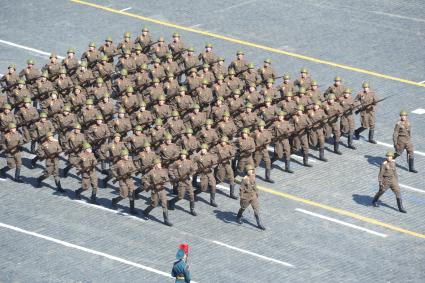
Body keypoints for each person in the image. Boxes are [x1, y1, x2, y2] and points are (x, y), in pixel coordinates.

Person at [236, 165, 265, 230]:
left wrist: (256, 191)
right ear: (247, 171)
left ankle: (259, 223)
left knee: (256, 209)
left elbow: (254, 184)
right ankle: (239, 216)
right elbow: (241, 188)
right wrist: (242, 196)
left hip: (253, 195)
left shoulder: (253, 176)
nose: (251, 171)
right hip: (246, 196)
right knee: (243, 207)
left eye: (251, 170)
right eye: (249, 170)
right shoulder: (244, 179)